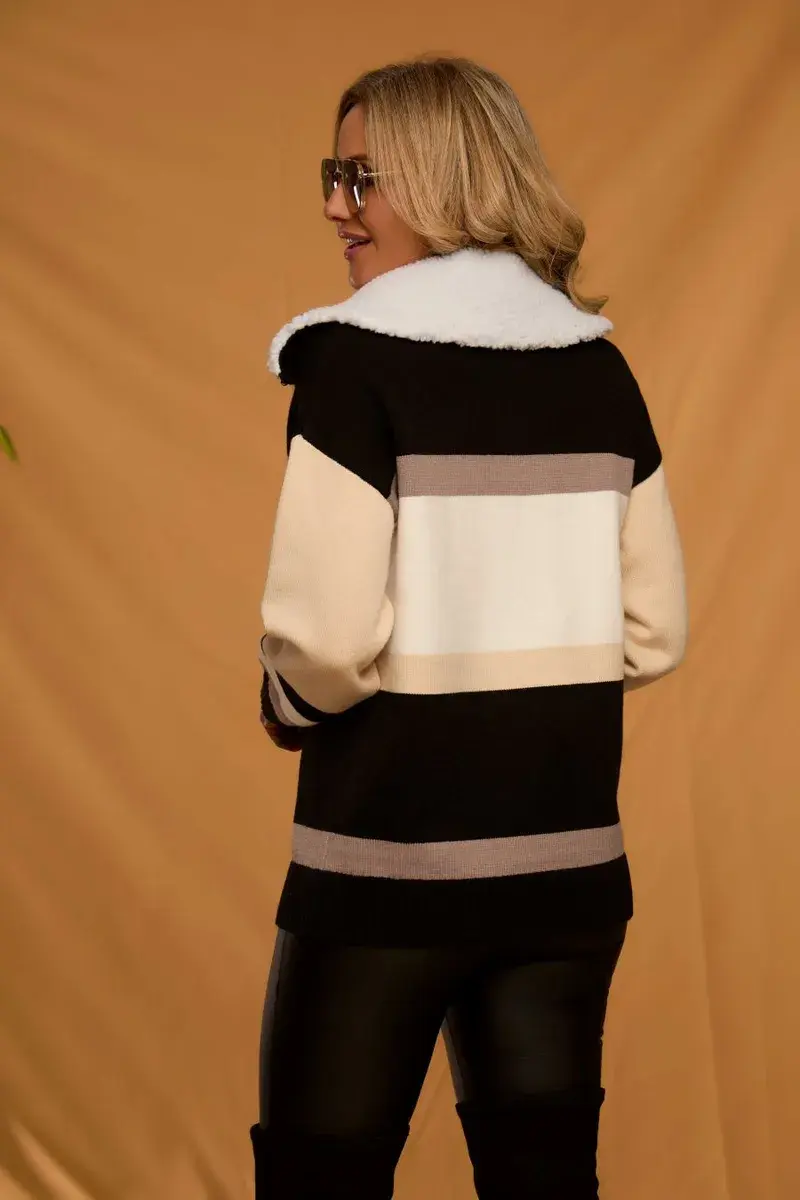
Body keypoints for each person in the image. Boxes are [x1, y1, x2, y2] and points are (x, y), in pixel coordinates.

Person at [250, 56, 688, 1199]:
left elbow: (323, 646)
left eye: (361, 176)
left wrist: (286, 700)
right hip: (566, 875)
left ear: (444, 177)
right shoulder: (598, 371)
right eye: (332, 174)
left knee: (318, 1180)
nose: (334, 205)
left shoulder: (350, 362)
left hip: (385, 870)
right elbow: (653, 632)